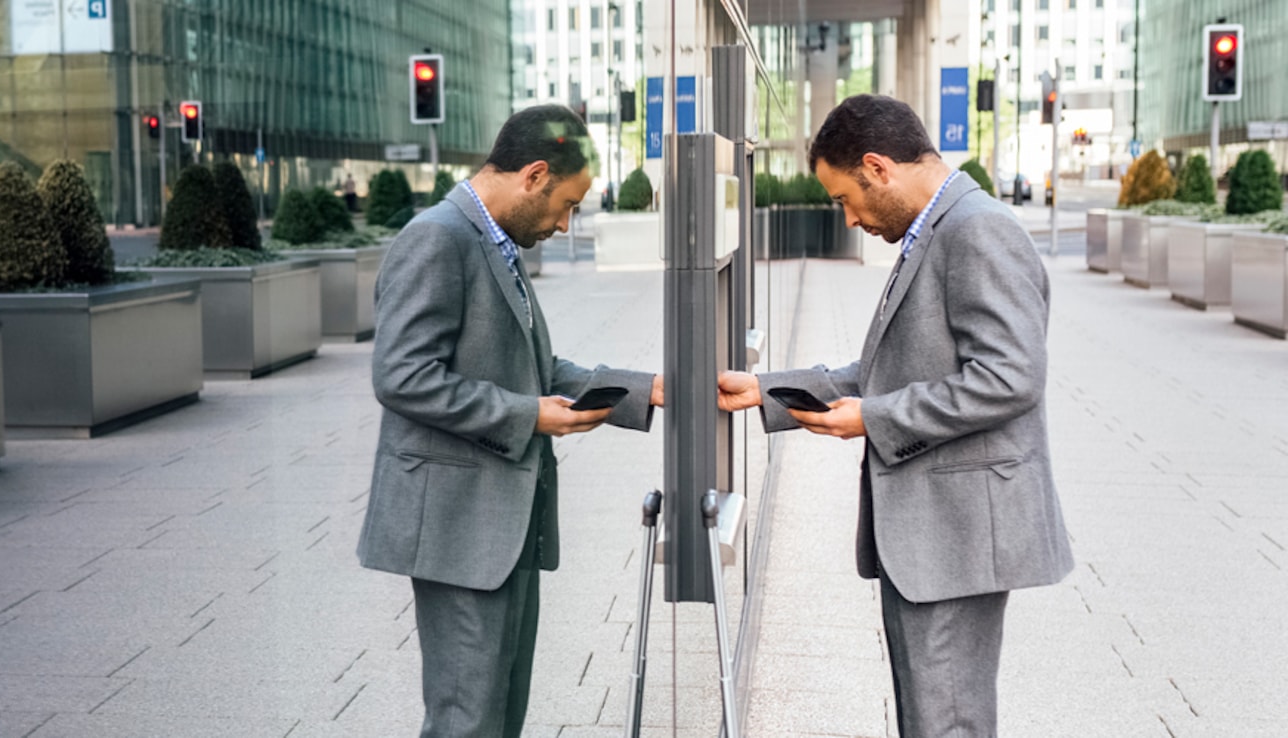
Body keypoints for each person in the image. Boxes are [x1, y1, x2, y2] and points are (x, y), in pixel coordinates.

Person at [716, 94, 1072, 736]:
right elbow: (888, 371)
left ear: (878, 167)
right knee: (931, 718)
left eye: (844, 198)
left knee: (946, 721)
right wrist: (768, 391)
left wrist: (874, 418)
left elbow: (1010, 377)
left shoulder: (976, 229)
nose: (848, 219)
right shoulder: (937, 228)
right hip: (939, 533)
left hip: (957, 535)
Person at [357, 104, 665, 738]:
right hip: (459, 527)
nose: (565, 221)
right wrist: (528, 417)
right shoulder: (438, 237)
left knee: (498, 711)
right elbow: (401, 376)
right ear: (535, 175)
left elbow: (538, 368)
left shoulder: (495, 239)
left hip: (500, 521)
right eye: (568, 204)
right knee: (467, 717)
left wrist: (648, 391)